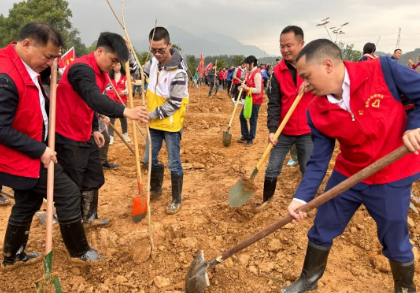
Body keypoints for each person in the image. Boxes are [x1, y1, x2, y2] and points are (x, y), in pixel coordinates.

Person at [282, 38, 420, 293]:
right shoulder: (317, 111)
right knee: (322, 226)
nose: (304, 84)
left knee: (395, 237)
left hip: (393, 173)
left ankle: (405, 288)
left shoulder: (382, 71)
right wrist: (301, 198)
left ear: (327, 65)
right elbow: (318, 161)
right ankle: (308, 281)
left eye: (307, 76)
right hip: (349, 174)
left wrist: (415, 125)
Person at [0, 22, 104, 266]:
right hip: (22, 155)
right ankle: (79, 252)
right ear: (27, 44)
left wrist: (48, 69)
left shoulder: (23, 65)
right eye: (48, 57)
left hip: (28, 150)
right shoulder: (6, 78)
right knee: (68, 194)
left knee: (27, 202)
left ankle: (12, 257)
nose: (50, 63)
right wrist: (41, 149)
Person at [55, 32, 149, 229]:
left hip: (84, 131)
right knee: (74, 183)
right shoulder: (81, 68)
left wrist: (94, 129)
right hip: (68, 134)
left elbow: (87, 105)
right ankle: (72, 224)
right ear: (100, 51)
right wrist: (126, 111)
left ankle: (89, 217)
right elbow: (93, 98)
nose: (114, 65)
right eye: (113, 60)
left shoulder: (101, 72)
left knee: (93, 175)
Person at [257, 26, 316, 210]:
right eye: (282, 46)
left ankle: (308, 202)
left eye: (289, 45)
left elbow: (331, 85)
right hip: (284, 130)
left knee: (308, 167)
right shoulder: (277, 72)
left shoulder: (314, 67)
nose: (285, 50)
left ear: (301, 44)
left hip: (308, 130)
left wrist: (312, 81)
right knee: (272, 167)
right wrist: (272, 129)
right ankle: (266, 201)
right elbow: (274, 104)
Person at [141, 27, 189, 214]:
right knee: (148, 158)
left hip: (170, 125)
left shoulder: (179, 72)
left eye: (161, 49)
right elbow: (140, 73)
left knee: (173, 162)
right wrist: (128, 55)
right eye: (153, 50)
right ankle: (156, 187)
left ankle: (176, 199)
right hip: (153, 124)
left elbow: (175, 103)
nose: (157, 54)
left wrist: (151, 114)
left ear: (169, 45)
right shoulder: (153, 61)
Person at [237, 55, 263, 147]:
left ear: (252, 63)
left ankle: (250, 138)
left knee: (253, 119)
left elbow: (258, 89)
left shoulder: (257, 74)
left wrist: (247, 88)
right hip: (249, 99)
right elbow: (249, 87)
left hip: (256, 101)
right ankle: (245, 134)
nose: (246, 66)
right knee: (242, 116)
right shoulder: (249, 73)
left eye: (247, 64)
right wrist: (243, 88)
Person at [106, 62, 131, 144]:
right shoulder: (108, 76)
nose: (117, 67)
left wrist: (125, 91)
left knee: (123, 117)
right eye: (115, 65)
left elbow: (129, 88)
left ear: (121, 65)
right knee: (111, 118)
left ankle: (125, 133)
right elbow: (106, 87)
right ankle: (111, 136)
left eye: (119, 65)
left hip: (122, 100)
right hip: (111, 100)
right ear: (112, 66)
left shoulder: (125, 76)